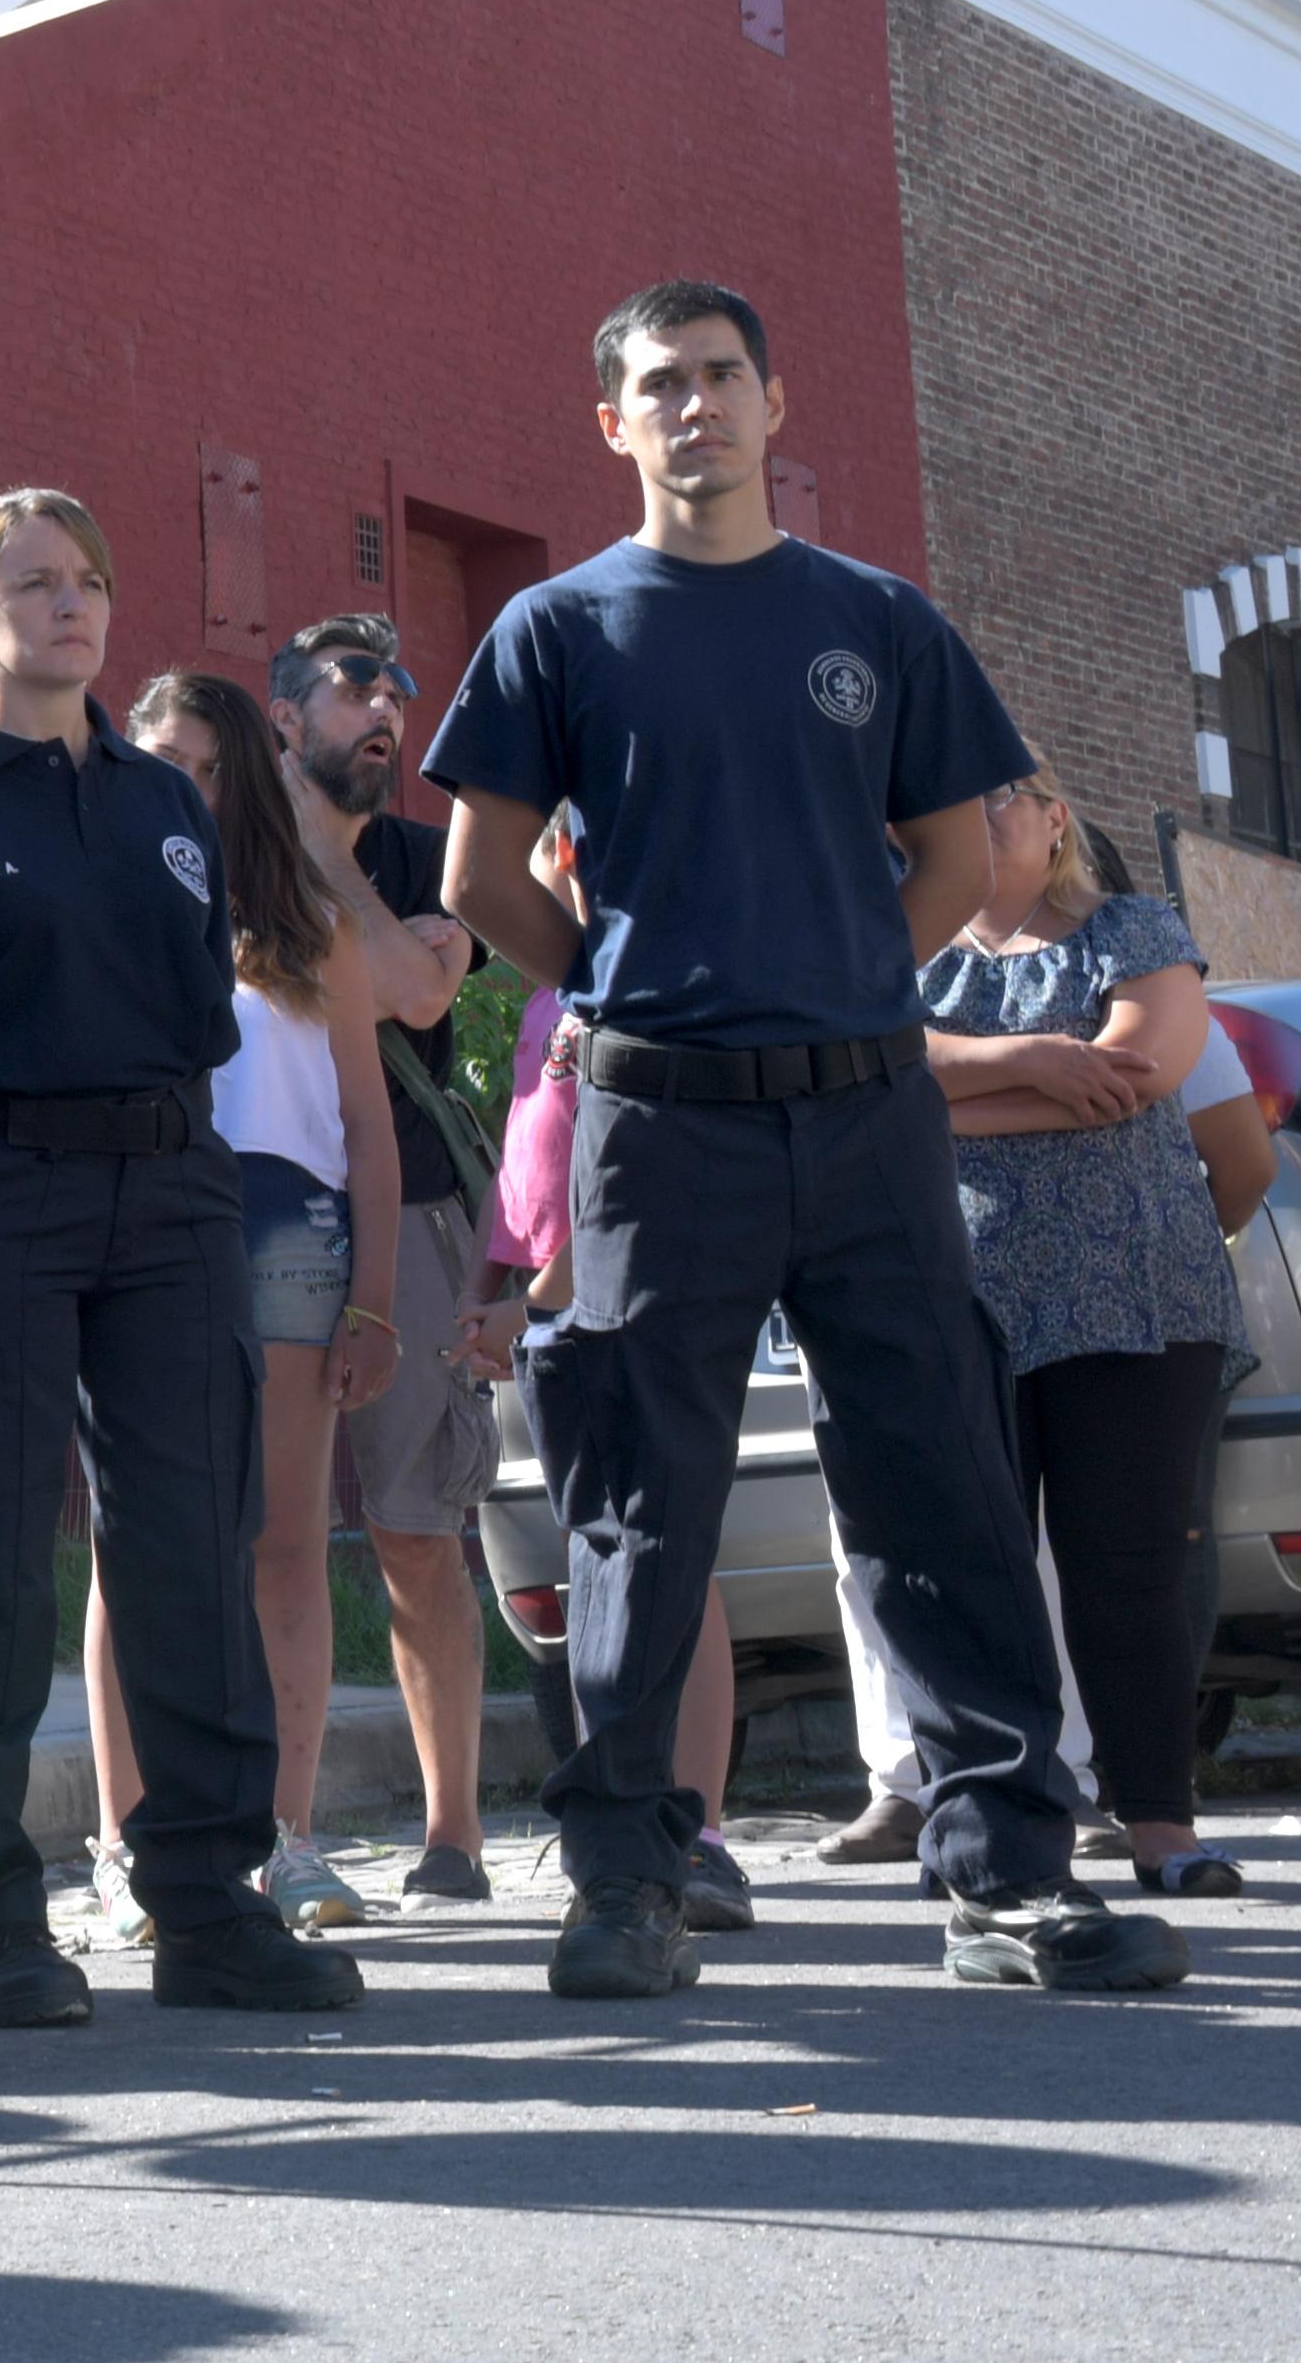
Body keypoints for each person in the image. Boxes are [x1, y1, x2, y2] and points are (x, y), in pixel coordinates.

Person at [430, 277, 1176, 1996]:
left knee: (936, 1474)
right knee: (633, 1501)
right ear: (610, 423)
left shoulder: (877, 619)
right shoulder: (553, 628)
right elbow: (479, 882)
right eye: (655, 385)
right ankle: (623, 1873)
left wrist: (836, 985)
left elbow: (955, 861)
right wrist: (631, 998)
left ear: (773, 404)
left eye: (717, 377)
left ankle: (1002, 1871)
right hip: (654, 1128)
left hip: (864, 1117)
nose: (691, 407)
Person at [0, 490, 362, 2027]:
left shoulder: (160, 801)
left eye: (90, 583)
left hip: (175, 1188)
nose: (71, 607)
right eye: (33, 583)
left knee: (192, 1541)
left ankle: (204, 1905)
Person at [91, 673, 405, 1945]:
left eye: (215, 764)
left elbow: (370, 1127)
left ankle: (283, 1835)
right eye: (167, 758)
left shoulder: (309, 919)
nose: (191, 783)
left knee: (280, 1539)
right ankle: (125, 1847)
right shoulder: (105, 894)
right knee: (140, 1539)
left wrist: (376, 1300)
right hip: (143, 1217)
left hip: (288, 1226)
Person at [923, 766, 1256, 1898]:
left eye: (998, 794)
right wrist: (1033, 1063)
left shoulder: (1132, 924)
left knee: (1130, 1571)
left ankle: (1161, 1824)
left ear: (1056, 815)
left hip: (1138, 1295)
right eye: (946, 804)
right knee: (980, 1573)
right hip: (963, 1298)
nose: (974, 816)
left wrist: (957, 1094)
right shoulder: (898, 955)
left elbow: (1139, 1069)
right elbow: (871, 1077)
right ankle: (1003, 1833)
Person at [273, 615, 507, 1909]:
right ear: (281, 719)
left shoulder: (424, 856)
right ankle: (281, 1831)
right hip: (262, 1219)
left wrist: (330, 860)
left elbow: (417, 990)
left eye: (398, 691)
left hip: (412, 1214)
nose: (385, 708)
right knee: (277, 1536)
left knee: (418, 1532)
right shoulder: (233, 862)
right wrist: (293, 853)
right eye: (354, 685)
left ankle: (453, 1835)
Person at [481, 824, 750, 1925]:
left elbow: (625, 1171)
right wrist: (492, 1272)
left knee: (675, 1559)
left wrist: (527, 1292)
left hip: (624, 1294)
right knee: (598, 1567)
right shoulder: (554, 995)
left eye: (570, 837)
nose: (551, 854)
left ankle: (702, 1832)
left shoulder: (641, 988)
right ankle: (618, 1820)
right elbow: (534, 1154)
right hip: (551, 1313)